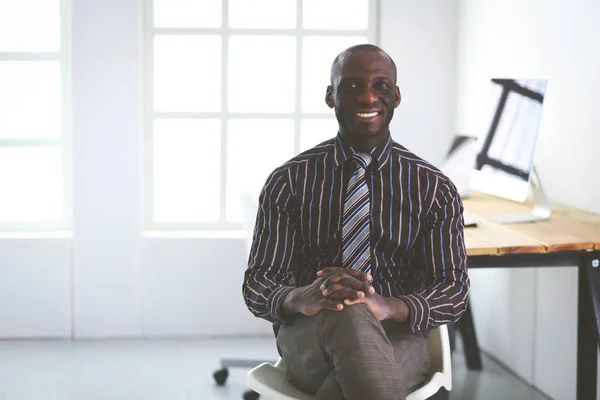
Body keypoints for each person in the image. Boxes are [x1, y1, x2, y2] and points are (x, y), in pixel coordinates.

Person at [242, 44, 469, 400]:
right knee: (347, 315)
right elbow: (257, 284)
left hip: (398, 336)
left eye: (380, 86)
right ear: (330, 96)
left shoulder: (433, 187)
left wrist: (388, 306)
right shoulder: (289, 181)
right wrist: (301, 297)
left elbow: (453, 289)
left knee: (346, 384)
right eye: (350, 86)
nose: (367, 97)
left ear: (395, 95)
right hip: (309, 337)